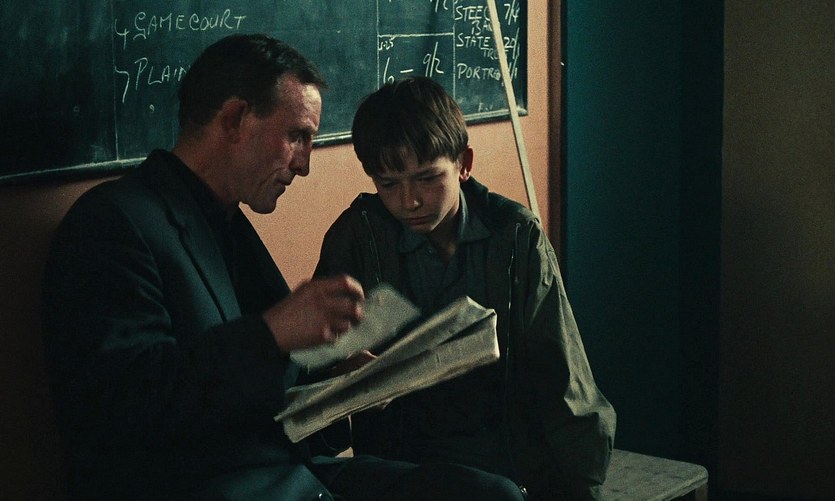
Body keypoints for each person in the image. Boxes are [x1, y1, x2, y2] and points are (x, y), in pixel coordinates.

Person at [41, 35, 528, 501]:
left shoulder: (227, 220)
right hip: (213, 484)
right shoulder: (112, 223)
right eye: (297, 137)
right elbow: (130, 406)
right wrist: (272, 334)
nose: (305, 165)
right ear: (235, 119)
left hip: (289, 471)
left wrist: (342, 381)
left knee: (492, 494)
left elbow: (262, 376)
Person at [314, 76, 617, 500]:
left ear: (464, 164)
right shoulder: (358, 237)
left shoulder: (515, 237)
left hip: (506, 461)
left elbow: (563, 380)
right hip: (399, 467)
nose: (409, 201)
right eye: (389, 184)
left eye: (427, 179)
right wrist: (343, 369)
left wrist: (581, 488)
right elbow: (314, 366)